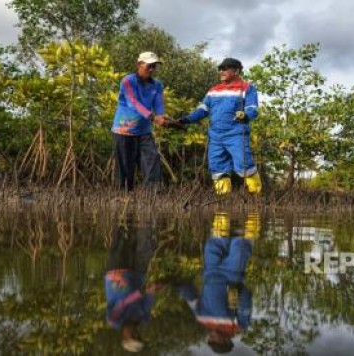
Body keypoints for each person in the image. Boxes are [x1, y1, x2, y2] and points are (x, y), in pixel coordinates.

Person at [176, 212, 259, 353]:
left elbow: (190, 297)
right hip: (233, 274)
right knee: (241, 244)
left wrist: (176, 285)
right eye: (216, 341)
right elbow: (245, 303)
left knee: (213, 243)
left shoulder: (202, 318)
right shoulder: (238, 326)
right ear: (227, 341)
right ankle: (254, 209)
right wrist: (239, 291)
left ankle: (224, 208)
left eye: (211, 340)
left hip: (210, 270)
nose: (212, 337)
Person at [178, 58, 262, 195]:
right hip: (215, 136)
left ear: (236, 71)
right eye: (220, 69)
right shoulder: (213, 91)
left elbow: (253, 108)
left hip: (236, 134)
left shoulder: (246, 88)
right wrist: (185, 120)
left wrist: (245, 115)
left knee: (244, 165)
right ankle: (223, 200)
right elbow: (202, 110)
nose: (221, 71)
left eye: (225, 68)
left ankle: (255, 197)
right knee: (217, 167)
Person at [111, 51, 169, 191]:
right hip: (124, 130)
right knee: (125, 166)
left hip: (144, 130)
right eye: (149, 66)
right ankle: (123, 196)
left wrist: (161, 116)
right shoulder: (128, 81)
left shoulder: (157, 85)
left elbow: (158, 104)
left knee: (152, 159)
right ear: (139, 64)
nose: (152, 69)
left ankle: (154, 194)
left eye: (154, 66)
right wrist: (153, 117)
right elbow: (133, 103)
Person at [104, 219, 164, 353]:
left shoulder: (113, 320)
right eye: (138, 336)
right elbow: (149, 297)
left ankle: (124, 209)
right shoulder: (143, 317)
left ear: (124, 337)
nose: (136, 333)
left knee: (120, 231)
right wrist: (155, 288)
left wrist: (141, 293)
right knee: (148, 239)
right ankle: (148, 213)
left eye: (133, 336)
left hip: (116, 273)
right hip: (138, 272)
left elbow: (121, 304)